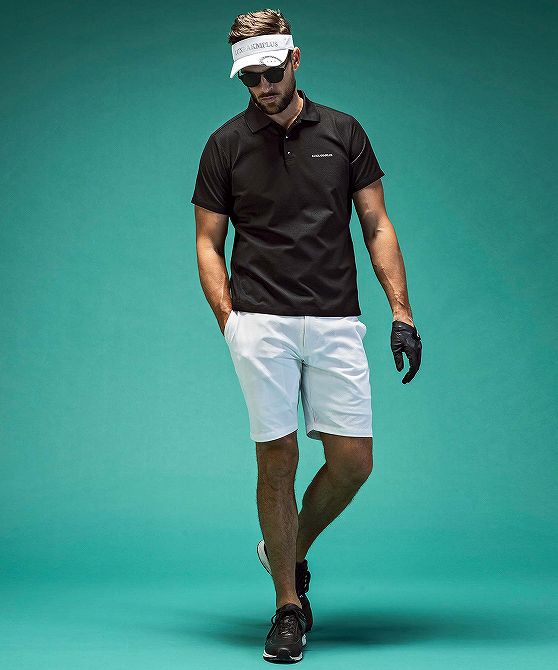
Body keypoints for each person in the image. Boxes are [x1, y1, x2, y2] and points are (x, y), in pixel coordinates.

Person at [191, 9, 422, 664]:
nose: (263, 88)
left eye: (271, 72)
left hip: (335, 319)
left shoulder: (344, 133)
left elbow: (376, 224)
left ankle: (285, 552)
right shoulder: (225, 144)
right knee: (279, 459)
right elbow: (208, 242)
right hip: (260, 321)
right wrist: (230, 322)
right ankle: (288, 607)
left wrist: (401, 313)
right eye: (250, 79)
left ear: (295, 58)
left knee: (353, 462)